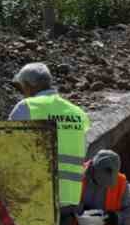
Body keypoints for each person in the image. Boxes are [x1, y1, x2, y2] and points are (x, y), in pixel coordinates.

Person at [9, 62, 90, 212]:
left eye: (22, 87)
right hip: (69, 197)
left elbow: (8, 146)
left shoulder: (26, 107)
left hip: (37, 194)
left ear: (28, 85)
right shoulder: (77, 112)